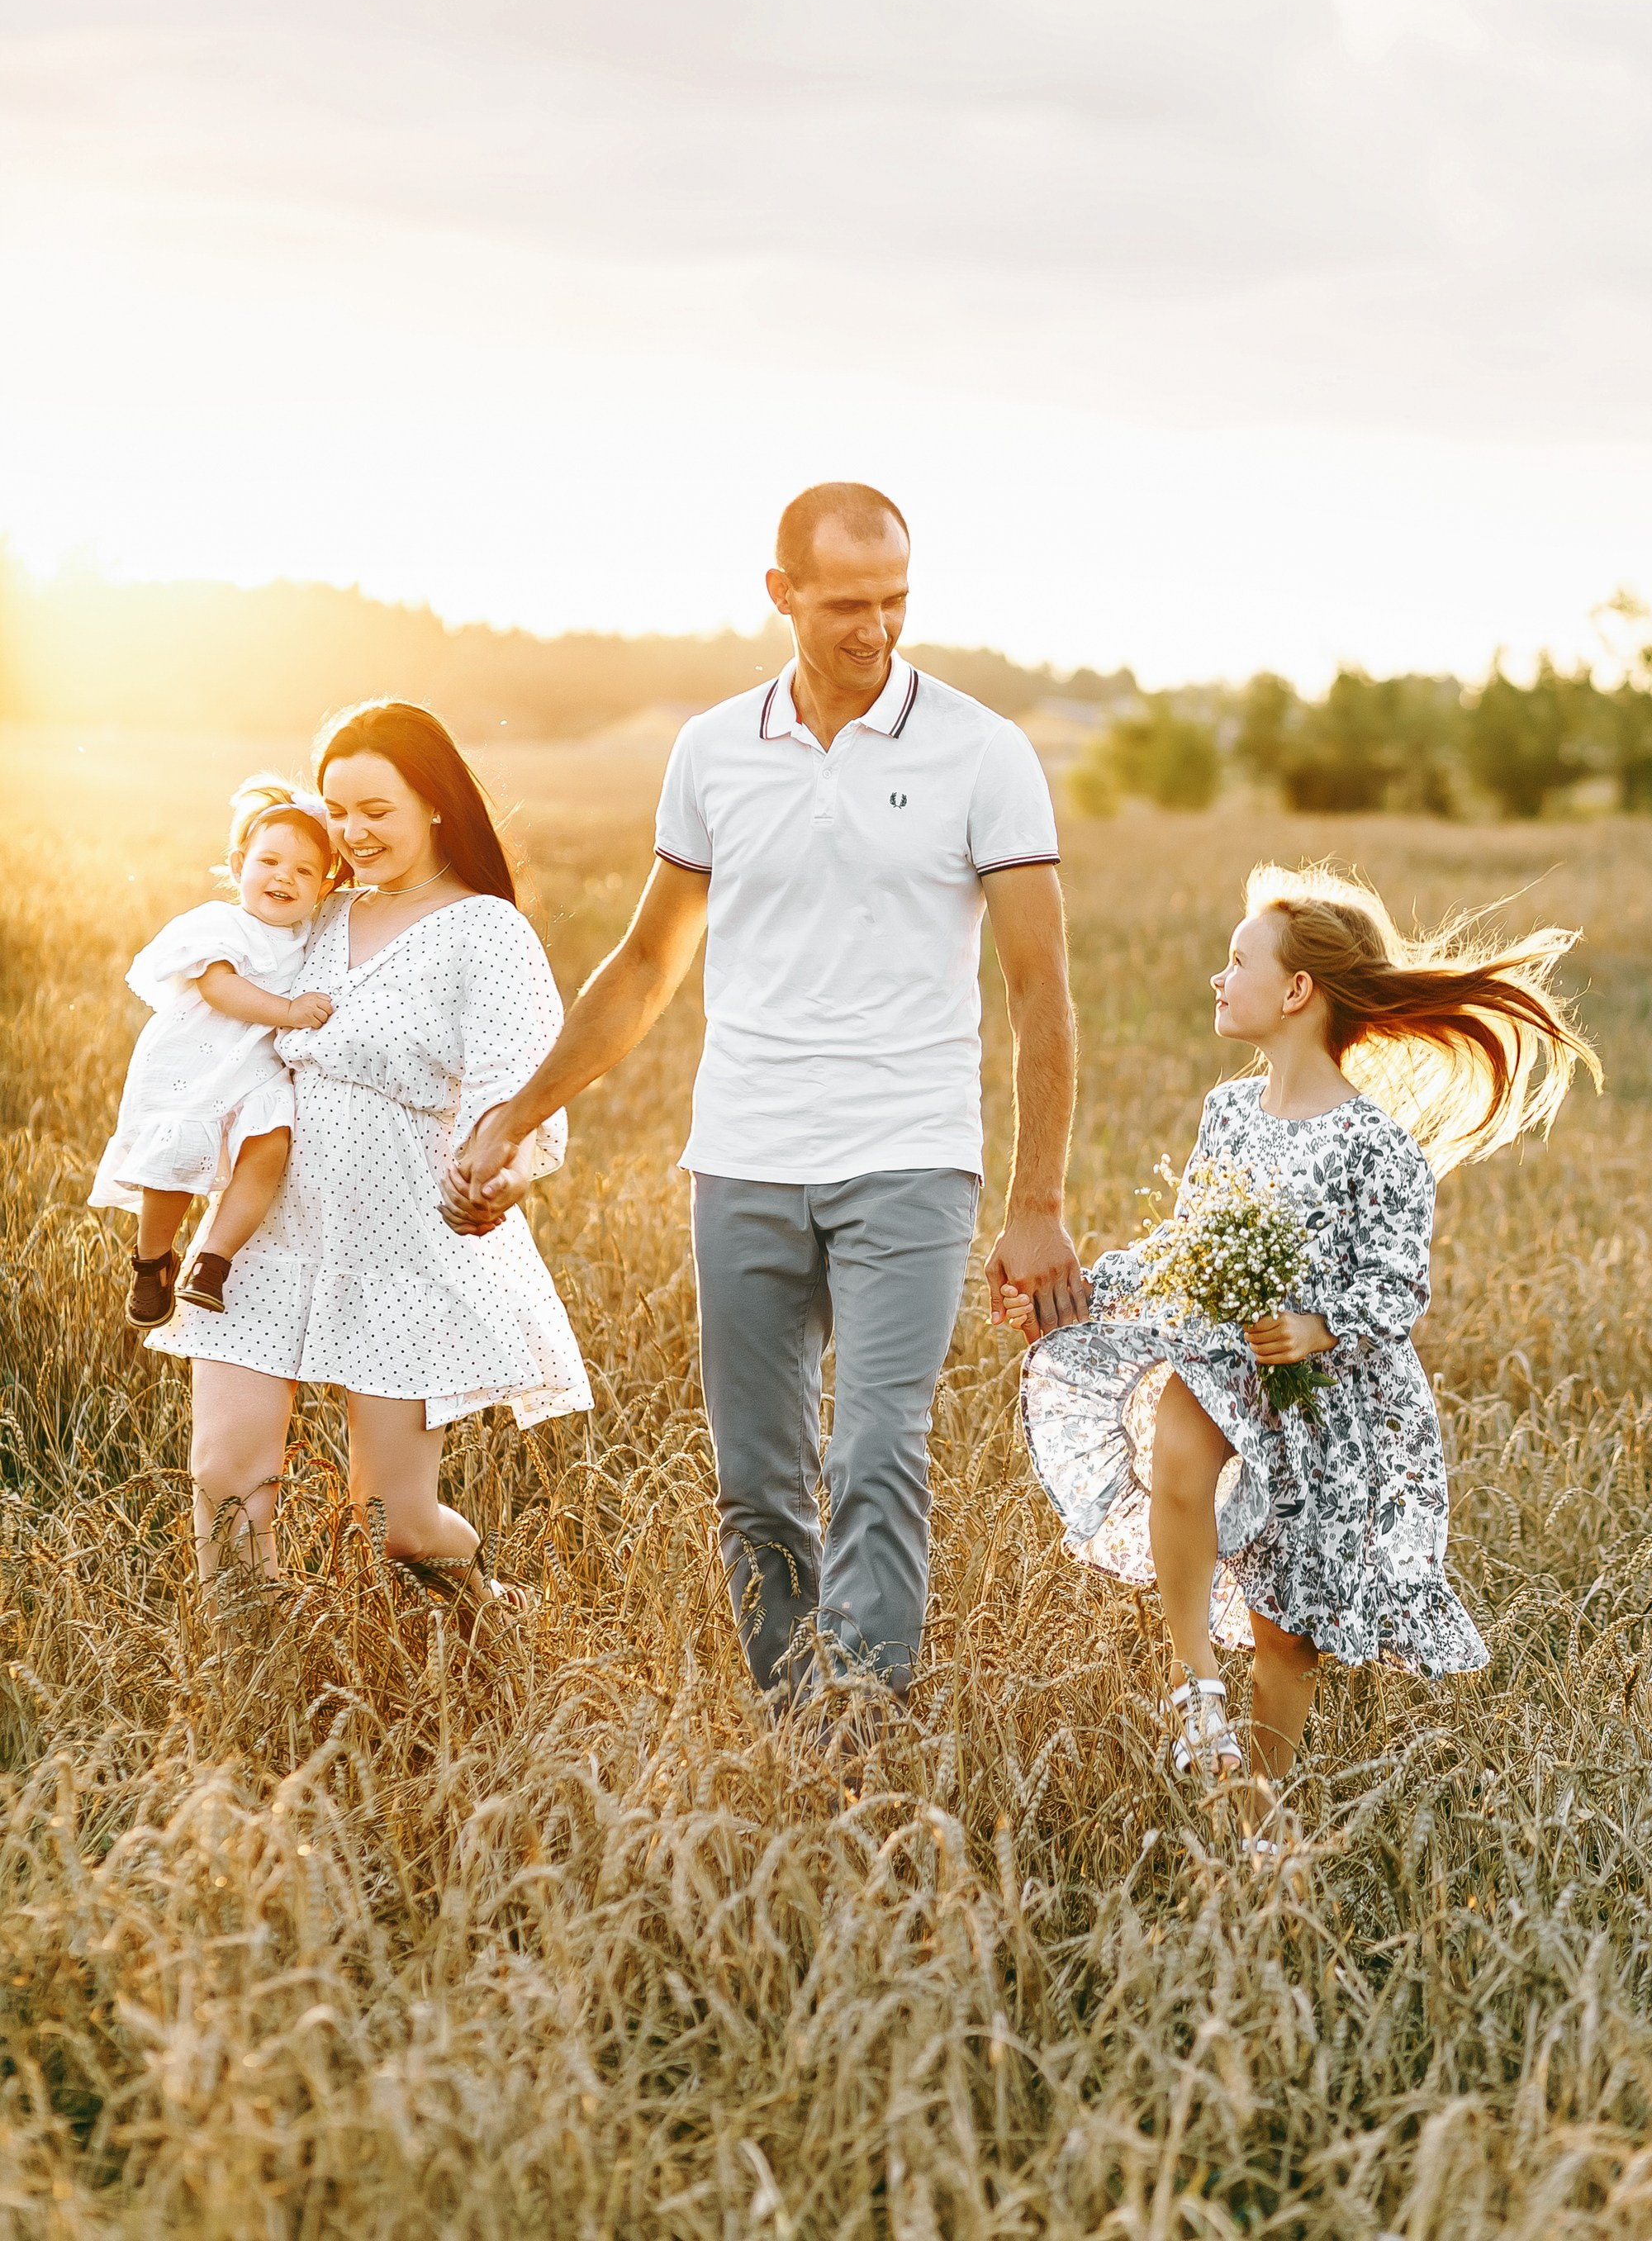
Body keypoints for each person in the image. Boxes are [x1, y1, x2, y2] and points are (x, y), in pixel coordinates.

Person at [446, 480, 1085, 1709]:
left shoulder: (982, 752)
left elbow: (1040, 988)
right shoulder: (712, 750)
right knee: (756, 1479)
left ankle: (862, 1729)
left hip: (910, 1153)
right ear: (781, 594)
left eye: (897, 600)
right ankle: (795, 1713)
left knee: (878, 1450)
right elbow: (645, 964)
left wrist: (1037, 1199)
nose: (877, 629)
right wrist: (517, 1112)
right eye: (848, 602)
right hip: (742, 1155)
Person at [1010, 862, 1600, 1839]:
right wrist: (1073, 1295)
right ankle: (1191, 1678)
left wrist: (1321, 1328)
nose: (1216, 976)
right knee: (1177, 1441)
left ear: (1295, 992)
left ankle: (1251, 1812)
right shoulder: (1227, 1114)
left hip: (1332, 1406)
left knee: (1289, 1639)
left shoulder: (1377, 1146)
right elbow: (1185, 1245)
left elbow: (1396, 1282)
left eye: (1235, 960)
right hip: (1227, 1360)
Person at [151, 700, 593, 1641]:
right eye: (336, 810)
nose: (350, 833)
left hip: (400, 1246)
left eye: (375, 811)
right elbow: (208, 1002)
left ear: (434, 803)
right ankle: (250, 1697)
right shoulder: (313, 912)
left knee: (391, 1525)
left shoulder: (486, 932)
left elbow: (517, 1093)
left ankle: (490, 1615)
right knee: (227, 1479)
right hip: (263, 1236)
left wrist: (502, 1176)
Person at [90, 777, 338, 1327]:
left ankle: (213, 1262)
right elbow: (218, 988)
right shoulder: (218, 923)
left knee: (270, 1150)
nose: (284, 877)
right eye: (270, 861)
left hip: (259, 1074)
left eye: (304, 871)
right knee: (175, 1161)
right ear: (238, 864)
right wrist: (291, 1011)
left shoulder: (314, 933)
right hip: (196, 1065)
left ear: (324, 886)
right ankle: (152, 1259)